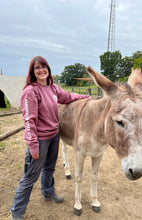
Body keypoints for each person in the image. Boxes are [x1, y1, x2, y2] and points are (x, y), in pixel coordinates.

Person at [11, 56, 90, 220]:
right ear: (32, 72)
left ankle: (48, 192)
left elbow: (67, 97)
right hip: (40, 140)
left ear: (48, 69)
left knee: (49, 168)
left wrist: (85, 98)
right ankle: (16, 213)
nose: (41, 70)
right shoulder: (31, 91)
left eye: (44, 67)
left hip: (54, 136)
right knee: (30, 176)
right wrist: (32, 145)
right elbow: (29, 120)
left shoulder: (52, 88)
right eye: (37, 68)